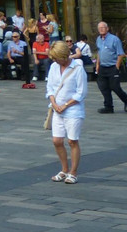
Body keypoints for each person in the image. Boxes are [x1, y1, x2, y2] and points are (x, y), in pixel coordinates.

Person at [46, 40, 86, 185]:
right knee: (57, 140)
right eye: (54, 58)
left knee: (72, 140)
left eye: (58, 58)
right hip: (57, 109)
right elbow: (50, 87)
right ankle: (64, 169)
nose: (56, 61)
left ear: (65, 55)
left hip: (73, 109)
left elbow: (81, 92)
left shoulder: (77, 68)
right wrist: (54, 103)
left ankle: (73, 172)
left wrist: (66, 104)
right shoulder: (53, 67)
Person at [94, 21, 127, 113]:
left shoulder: (114, 39)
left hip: (112, 67)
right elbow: (99, 52)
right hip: (102, 67)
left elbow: (121, 54)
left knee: (115, 87)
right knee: (103, 87)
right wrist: (97, 65)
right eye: (99, 28)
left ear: (107, 29)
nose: (101, 29)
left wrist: (117, 67)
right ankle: (108, 107)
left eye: (103, 27)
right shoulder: (98, 39)